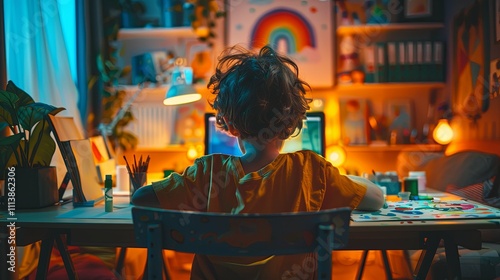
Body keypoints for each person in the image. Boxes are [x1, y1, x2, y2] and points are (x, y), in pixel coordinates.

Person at [132, 45, 384, 280]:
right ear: (292, 123)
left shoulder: (206, 173)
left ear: (229, 125)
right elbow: (376, 199)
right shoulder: (314, 172)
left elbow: (141, 198)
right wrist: (341, 179)